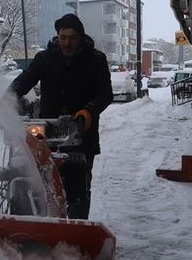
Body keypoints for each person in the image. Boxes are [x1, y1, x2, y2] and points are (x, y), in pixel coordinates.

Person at [6, 13, 114, 219]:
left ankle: (75, 229)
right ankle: (30, 221)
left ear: (81, 37)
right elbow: (24, 80)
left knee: (78, 186)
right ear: (57, 36)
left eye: (72, 37)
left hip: (81, 133)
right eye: (63, 37)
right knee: (34, 176)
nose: (67, 42)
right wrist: (8, 99)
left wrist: (87, 112)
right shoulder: (44, 59)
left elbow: (105, 94)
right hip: (46, 133)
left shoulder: (95, 60)